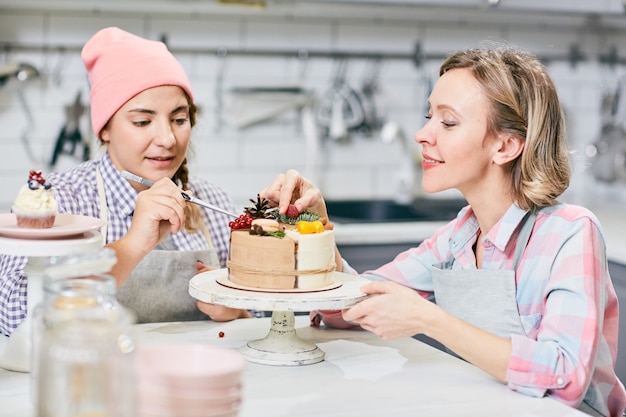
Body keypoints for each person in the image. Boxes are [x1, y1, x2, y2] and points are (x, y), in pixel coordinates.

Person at [261, 47, 626, 417]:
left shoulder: (570, 234)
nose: (422, 134)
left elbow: (565, 377)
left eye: (448, 123)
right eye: (428, 116)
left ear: (505, 146)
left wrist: (428, 319)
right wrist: (318, 228)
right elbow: (352, 307)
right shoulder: (459, 238)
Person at [0, 26, 250, 334]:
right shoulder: (61, 201)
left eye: (179, 119)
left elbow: (265, 319)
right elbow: (14, 319)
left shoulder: (212, 203)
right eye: (143, 121)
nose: (167, 138)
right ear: (105, 129)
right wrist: (133, 244)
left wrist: (236, 311)